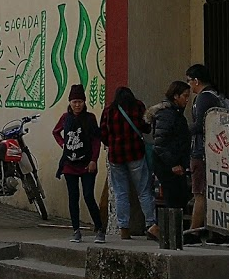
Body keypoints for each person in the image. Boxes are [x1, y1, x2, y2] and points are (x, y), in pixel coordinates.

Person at [100, 86, 158, 240]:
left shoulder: (109, 110)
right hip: (136, 155)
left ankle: (124, 228)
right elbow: (146, 128)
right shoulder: (138, 106)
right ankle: (151, 225)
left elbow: (103, 135)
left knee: (121, 194)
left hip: (116, 157)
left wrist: (113, 143)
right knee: (144, 191)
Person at [53, 84, 104, 244]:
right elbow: (56, 132)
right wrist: (63, 145)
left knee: (88, 196)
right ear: (70, 102)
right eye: (74, 101)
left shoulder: (90, 118)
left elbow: (97, 140)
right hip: (69, 164)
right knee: (73, 197)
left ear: (84, 102)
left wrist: (93, 160)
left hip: (87, 164)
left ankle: (100, 229)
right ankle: (76, 230)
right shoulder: (65, 118)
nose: (77, 105)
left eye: (80, 101)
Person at [185, 63, 229, 244]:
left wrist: (183, 131)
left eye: (189, 81)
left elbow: (202, 125)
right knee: (213, 193)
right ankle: (216, 232)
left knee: (199, 192)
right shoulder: (216, 96)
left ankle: (194, 232)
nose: (189, 86)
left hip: (202, 151)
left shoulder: (203, 98)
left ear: (196, 80)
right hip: (215, 150)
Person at [145, 81, 192, 212]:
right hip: (168, 165)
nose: (187, 100)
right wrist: (173, 164)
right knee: (173, 201)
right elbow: (161, 143)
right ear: (176, 96)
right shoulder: (167, 114)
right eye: (185, 96)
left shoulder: (175, 113)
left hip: (176, 163)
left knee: (179, 199)